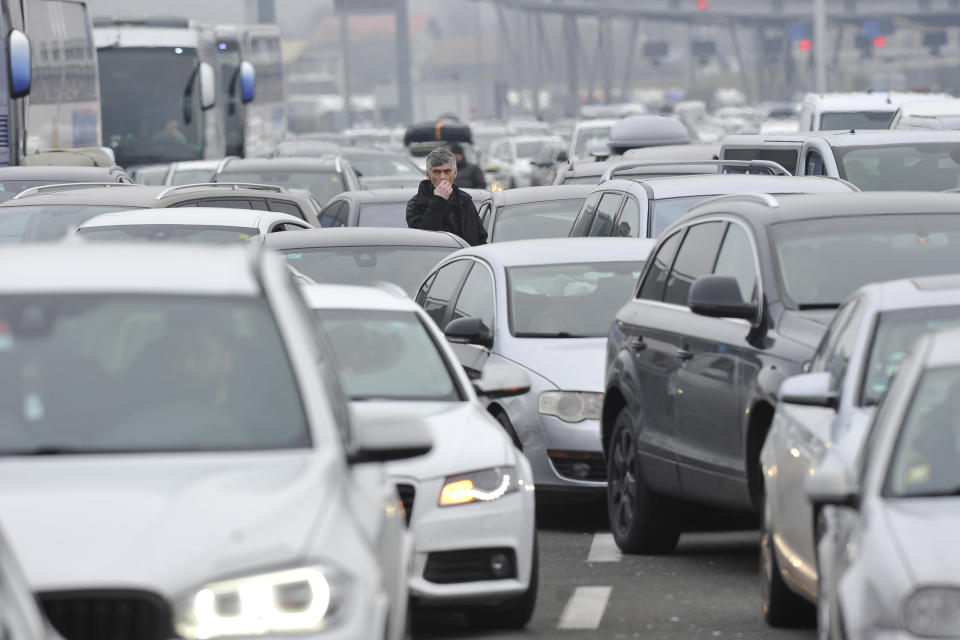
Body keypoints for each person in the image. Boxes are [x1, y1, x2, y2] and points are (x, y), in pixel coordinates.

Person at [406, 147, 487, 246]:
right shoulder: (416, 204)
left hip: (466, 260)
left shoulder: (465, 201)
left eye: (447, 171)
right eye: (437, 172)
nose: (442, 177)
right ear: (428, 174)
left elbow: (481, 238)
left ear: (455, 173)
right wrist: (439, 201)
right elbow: (425, 239)